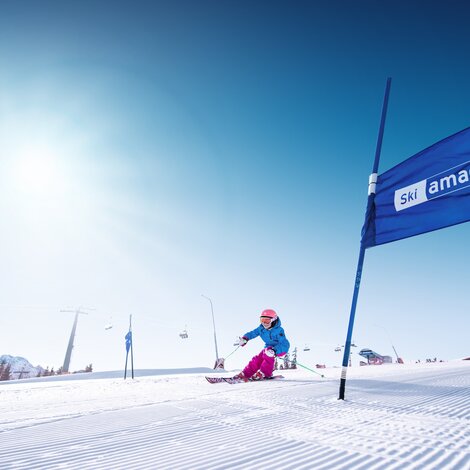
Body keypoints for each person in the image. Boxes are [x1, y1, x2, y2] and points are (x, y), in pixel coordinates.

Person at [234, 309, 290, 381]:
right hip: (268, 348)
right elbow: (252, 333)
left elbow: (285, 344)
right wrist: (245, 338)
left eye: (267, 321)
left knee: (268, 353)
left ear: (273, 320)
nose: (264, 323)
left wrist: (275, 350)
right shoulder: (261, 329)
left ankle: (265, 373)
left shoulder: (278, 330)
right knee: (257, 359)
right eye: (262, 320)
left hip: (279, 348)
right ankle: (245, 374)